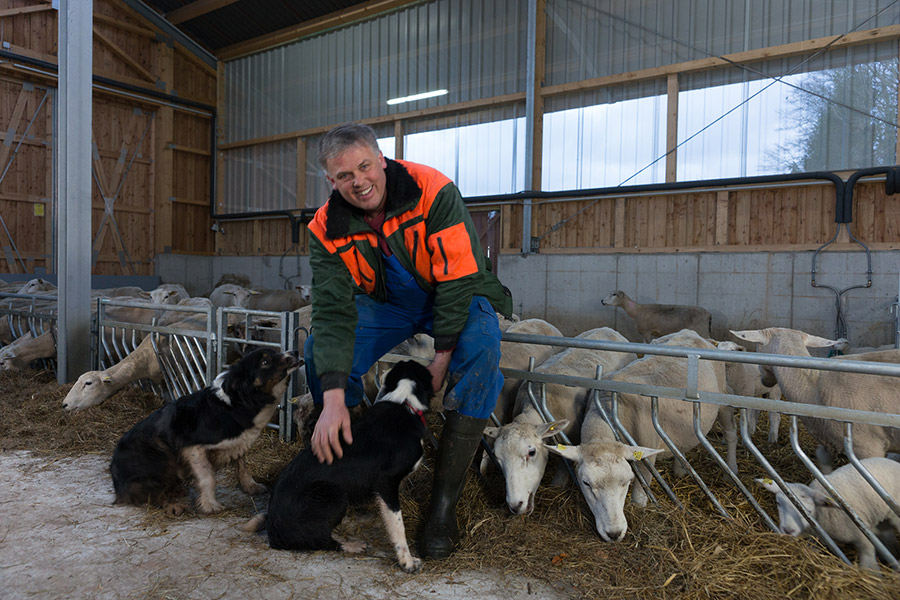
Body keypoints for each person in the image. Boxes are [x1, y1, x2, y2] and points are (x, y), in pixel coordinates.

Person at [304, 122, 512, 559]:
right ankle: (359, 466)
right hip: (391, 302)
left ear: (381, 159)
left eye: (364, 167)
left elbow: (456, 278)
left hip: (454, 289)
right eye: (344, 176)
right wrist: (334, 398)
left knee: (483, 354)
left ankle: (442, 505)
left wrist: (442, 357)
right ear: (330, 180)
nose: (359, 182)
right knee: (317, 352)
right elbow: (333, 311)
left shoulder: (433, 190)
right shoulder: (325, 227)